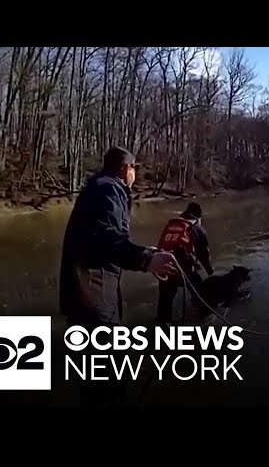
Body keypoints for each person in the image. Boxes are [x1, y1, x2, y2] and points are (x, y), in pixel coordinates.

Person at [59, 146, 177, 406]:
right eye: (135, 168)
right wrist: (147, 261)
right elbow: (108, 239)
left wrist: (146, 251)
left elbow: (105, 239)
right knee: (109, 378)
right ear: (127, 168)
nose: (136, 174)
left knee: (94, 380)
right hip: (94, 298)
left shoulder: (97, 187)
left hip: (84, 296)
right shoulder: (110, 188)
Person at [154, 201, 214, 325]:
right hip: (183, 267)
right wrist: (209, 270)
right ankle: (204, 315)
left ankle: (163, 321)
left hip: (164, 263)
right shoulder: (196, 227)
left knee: (166, 295)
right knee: (199, 288)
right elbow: (204, 253)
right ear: (198, 216)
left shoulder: (172, 224)